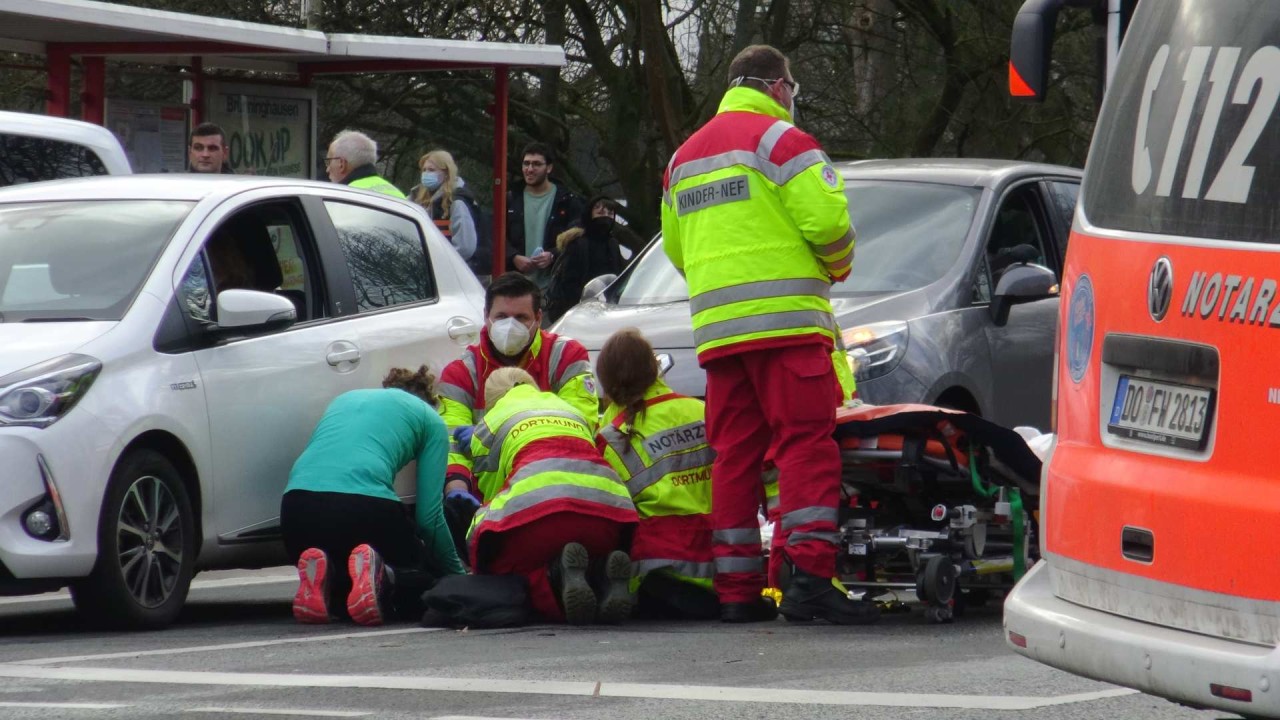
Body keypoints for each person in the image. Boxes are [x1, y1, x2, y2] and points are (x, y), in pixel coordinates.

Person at [660, 44, 876, 625]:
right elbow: (830, 225)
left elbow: (678, 251)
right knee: (804, 445)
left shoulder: (683, 158)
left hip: (720, 336)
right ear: (779, 87)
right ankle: (808, 578)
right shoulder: (784, 143)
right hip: (787, 327)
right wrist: (836, 266)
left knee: (734, 456)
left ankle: (736, 593)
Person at [282, 366, 465, 626]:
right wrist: (457, 575)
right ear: (429, 400)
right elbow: (430, 518)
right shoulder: (430, 419)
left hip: (296, 512)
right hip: (362, 508)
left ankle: (327, 584)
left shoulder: (344, 400)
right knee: (423, 577)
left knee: (351, 575)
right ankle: (386, 575)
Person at [466, 367, 638, 624]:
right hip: (608, 519)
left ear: (491, 401)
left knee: (495, 553)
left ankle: (553, 576)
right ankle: (599, 573)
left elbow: (491, 493)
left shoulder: (489, 426)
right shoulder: (573, 412)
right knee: (587, 548)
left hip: (541, 521)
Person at [436, 272, 599, 501]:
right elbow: (450, 439)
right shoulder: (461, 373)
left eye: (521, 317)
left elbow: (582, 425)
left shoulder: (565, 356)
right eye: (501, 316)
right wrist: (457, 487)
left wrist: (491, 438)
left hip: (561, 487)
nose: (510, 326)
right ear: (486, 316)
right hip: (490, 499)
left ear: (538, 318)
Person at [594, 328, 719, 620]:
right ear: (655, 369)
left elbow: (610, 513)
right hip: (720, 562)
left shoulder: (611, 437)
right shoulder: (703, 411)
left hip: (656, 567)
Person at [544, 195, 637, 324]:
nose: (606, 217)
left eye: (610, 214)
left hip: (608, 312)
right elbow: (569, 285)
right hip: (579, 314)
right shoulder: (577, 244)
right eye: (600, 213)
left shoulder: (612, 244)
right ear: (589, 215)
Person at [505, 142, 583, 289]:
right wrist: (513, 256)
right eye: (526, 164)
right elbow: (494, 235)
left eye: (536, 164)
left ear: (549, 168)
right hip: (516, 285)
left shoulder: (567, 200)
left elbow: (577, 237)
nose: (529, 169)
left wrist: (553, 255)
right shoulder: (510, 199)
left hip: (553, 287)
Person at [410, 149, 477, 262]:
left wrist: (440, 263)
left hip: (450, 268)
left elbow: (464, 248)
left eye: (431, 170)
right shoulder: (416, 198)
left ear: (446, 173)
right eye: (424, 170)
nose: (426, 174)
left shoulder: (457, 202)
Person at [325, 130, 406, 198]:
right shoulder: (397, 194)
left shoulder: (345, 196)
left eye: (329, 162)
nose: (327, 169)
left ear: (341, 164)